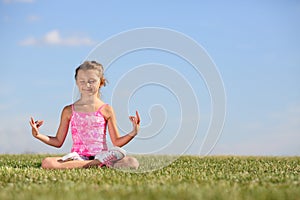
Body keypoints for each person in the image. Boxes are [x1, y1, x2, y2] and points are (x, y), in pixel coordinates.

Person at [29, 61, 140, 169]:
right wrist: (38, 135)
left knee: (132, 162)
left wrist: (133, 132)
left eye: (91, 81)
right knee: (47, 162)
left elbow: (116, 142)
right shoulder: (68, 110)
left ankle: (98, 161)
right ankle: (98, 163)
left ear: (101, 82)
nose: (87, 85)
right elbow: (58, 141)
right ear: (77, 82)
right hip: (77, 157)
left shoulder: (106, 109)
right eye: (82, 81)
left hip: (101, 154)